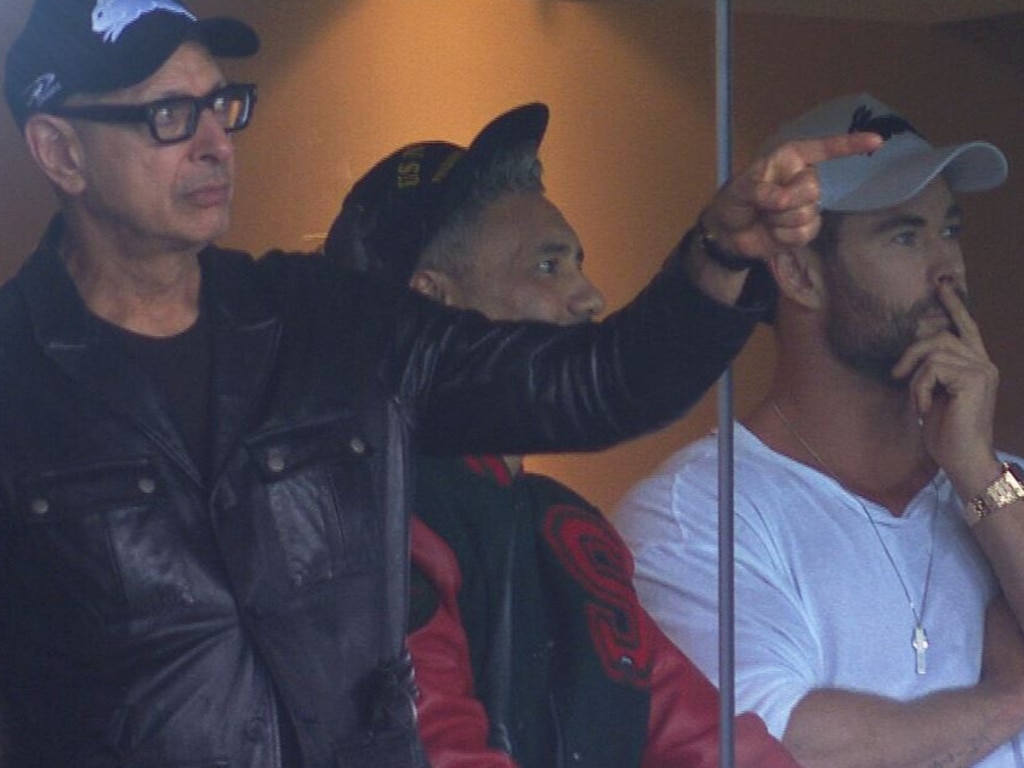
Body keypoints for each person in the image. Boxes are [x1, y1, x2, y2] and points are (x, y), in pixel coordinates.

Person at [0, 0, 879, 762]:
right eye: (167, 116)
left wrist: (719, 255)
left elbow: (600, 384)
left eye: (222, 104)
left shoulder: (325, 323)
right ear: (60, 152)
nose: (212, 142)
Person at [324, 102, 801, 768]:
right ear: (432, 302)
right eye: (548, 268)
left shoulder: (562, 529)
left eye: (577, 263)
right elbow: (433, 752)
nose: (590, 296)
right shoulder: (368, 519)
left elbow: (713, 744)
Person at [615, 92, 1024, 768]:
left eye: (948, 229)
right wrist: (1011, 698)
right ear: (800, 272)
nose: (947, 266)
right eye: (904, 235)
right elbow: (778, 748)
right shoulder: (696, 513)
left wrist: (978, 472)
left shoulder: (998, 487)